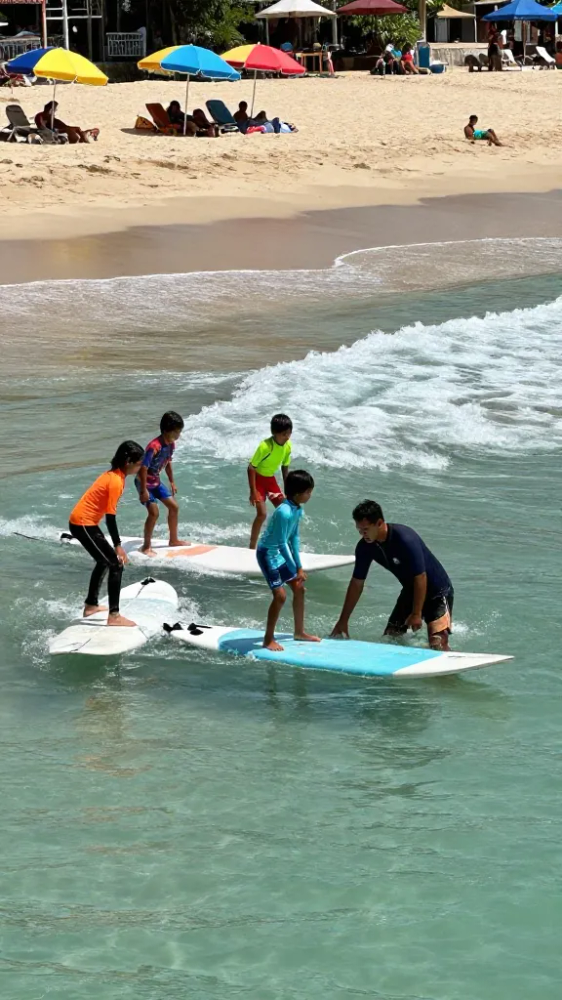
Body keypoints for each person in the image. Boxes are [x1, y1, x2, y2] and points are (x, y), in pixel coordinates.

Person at [331, 500, 454, 652]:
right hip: (410, 592)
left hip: (437, 592)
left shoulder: (405, 538)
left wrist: (416, 613)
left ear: (379, 523)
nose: (363, 534)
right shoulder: (365, 547)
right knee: (390, 639)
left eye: (366, 529)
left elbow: (420, 577)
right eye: (359, 530)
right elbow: (357, 583)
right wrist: (343, 621)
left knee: (437, 645)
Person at [68, 440, 144, 627]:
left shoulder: (116, 475)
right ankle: (114, 616)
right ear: (128, 462)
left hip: (85, 523)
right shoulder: (115, 481)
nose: (140, 467)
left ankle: (91, 606)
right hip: (83, 524)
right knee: (116, 564)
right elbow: (110, 518)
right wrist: (118, 547)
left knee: (104, 561)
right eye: (138, 463)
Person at [256, 469, 320, 651]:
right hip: (268, 553)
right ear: (298, 494)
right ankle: (268, 639)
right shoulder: (283, 512)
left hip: (279, 553)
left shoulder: (297, 509)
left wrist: (298, 567)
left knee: (299, 588)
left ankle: (299, 632)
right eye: (308, 492)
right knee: (280, 596)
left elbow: (294, 538)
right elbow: (282, 543)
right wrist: (296, 569)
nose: (310, 495)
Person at [136, 411, 187, 556]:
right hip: (144, 483)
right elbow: (143, 469)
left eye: (179, 432)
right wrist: (143, 491)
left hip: (156, 482)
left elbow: (168, 462)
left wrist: (171, 481)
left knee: (174, 507)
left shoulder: (170, 445)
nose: (178, 435)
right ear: (166, 430)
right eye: (176, 432)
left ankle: (173, 540)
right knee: (154, 513)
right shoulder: (154, 446)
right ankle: (146, 546)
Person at [248, 413, 293, 549]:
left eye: (289, 434)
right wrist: (253, 491)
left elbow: (285, 468)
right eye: (284, 434)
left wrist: (288, 491)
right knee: (262, 514)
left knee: (285, 512)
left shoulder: (287, 446)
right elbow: (251, 468)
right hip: (259, 481)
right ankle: (251, 547)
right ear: (274, 432)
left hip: (270, 481)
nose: (287, 437)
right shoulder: (265, 447)